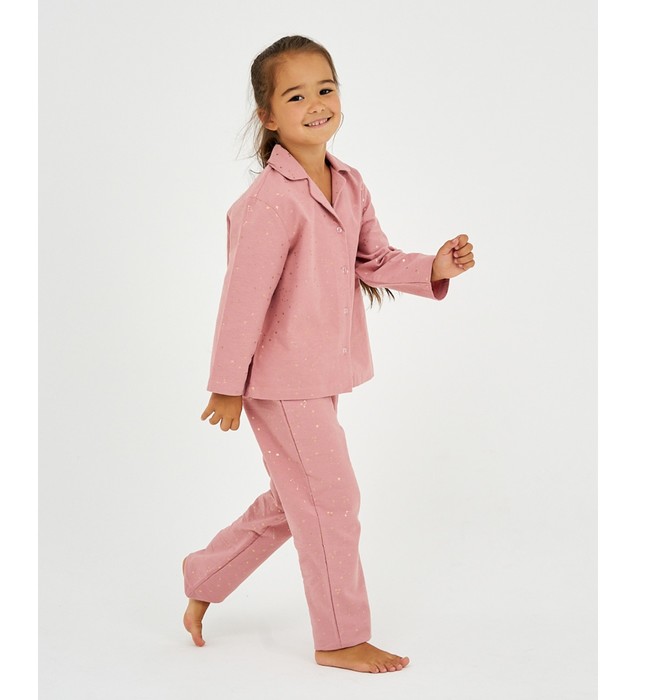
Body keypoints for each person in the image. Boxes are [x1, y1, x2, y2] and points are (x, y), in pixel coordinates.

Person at [182, 35, 475, 674]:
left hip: (320, 370)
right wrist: (226, 386)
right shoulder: (269, 202)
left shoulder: (348, 182)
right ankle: (341, 637)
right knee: (333, 499)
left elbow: (373, 259)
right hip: (280, 380)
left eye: (325, 89)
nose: (316, 104)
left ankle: (204, 576)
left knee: (299, 498)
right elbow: (242, 299)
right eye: (295, 96)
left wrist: (434, 265)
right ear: (267, 116)